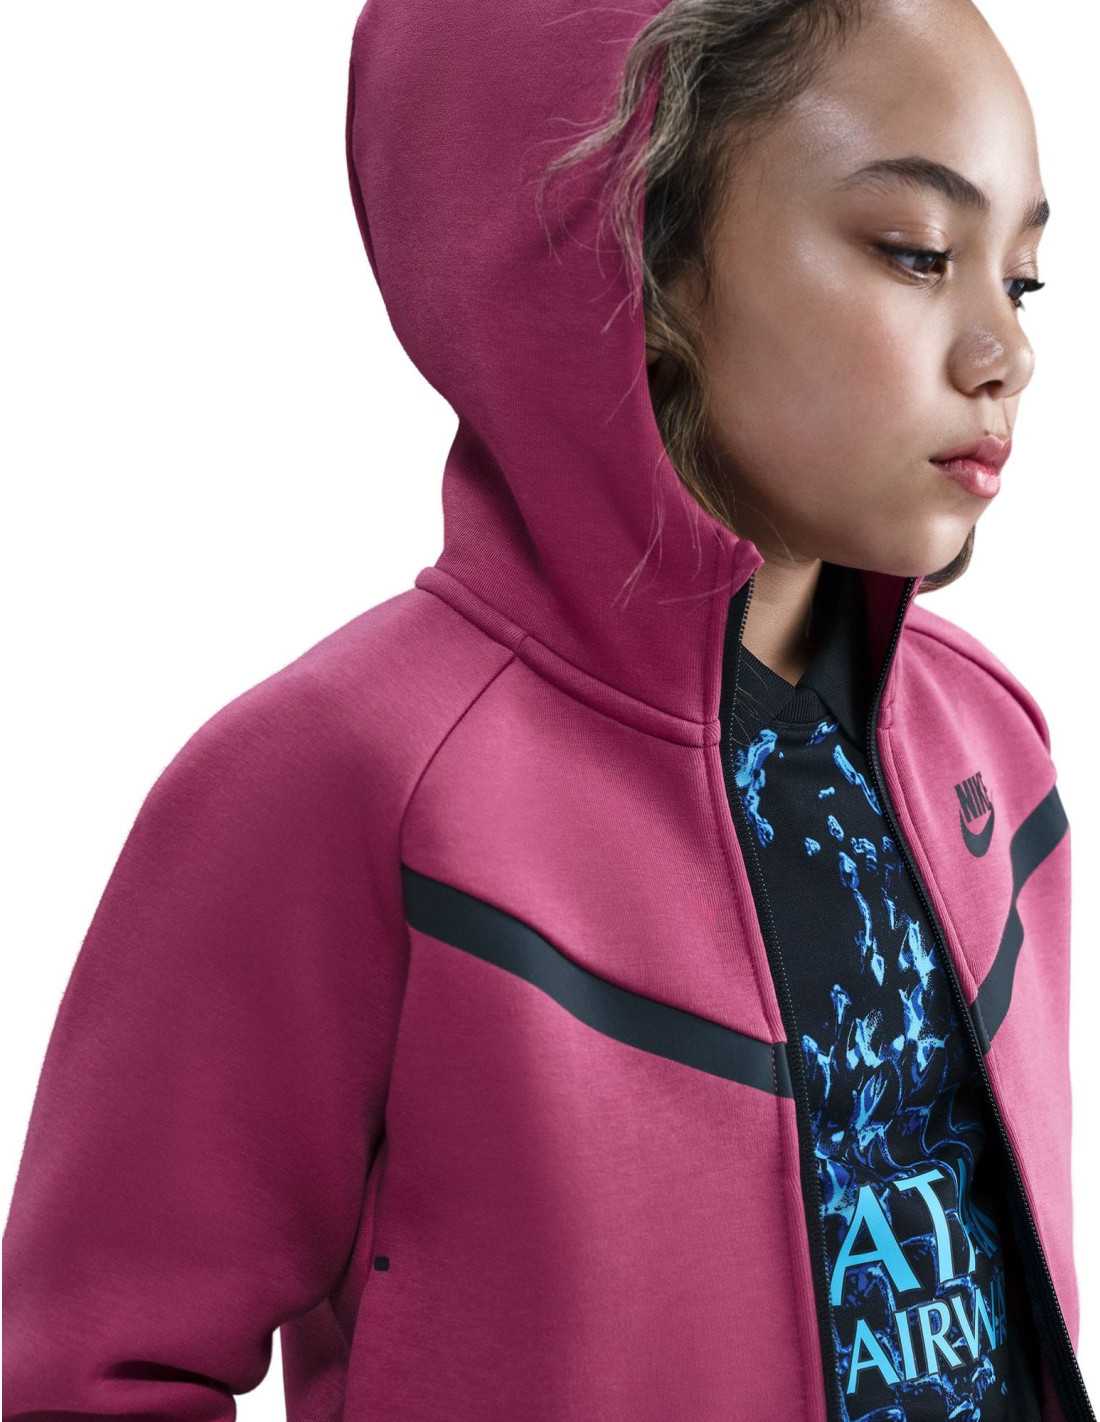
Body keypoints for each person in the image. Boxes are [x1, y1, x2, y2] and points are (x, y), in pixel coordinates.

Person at [3, 1, 1089, 1420]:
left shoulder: (991, 742)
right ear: (635, 247)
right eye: (916, 252)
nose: (1003, 352)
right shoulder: (348, 779)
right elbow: (90, 1368)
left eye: (1022, 280)